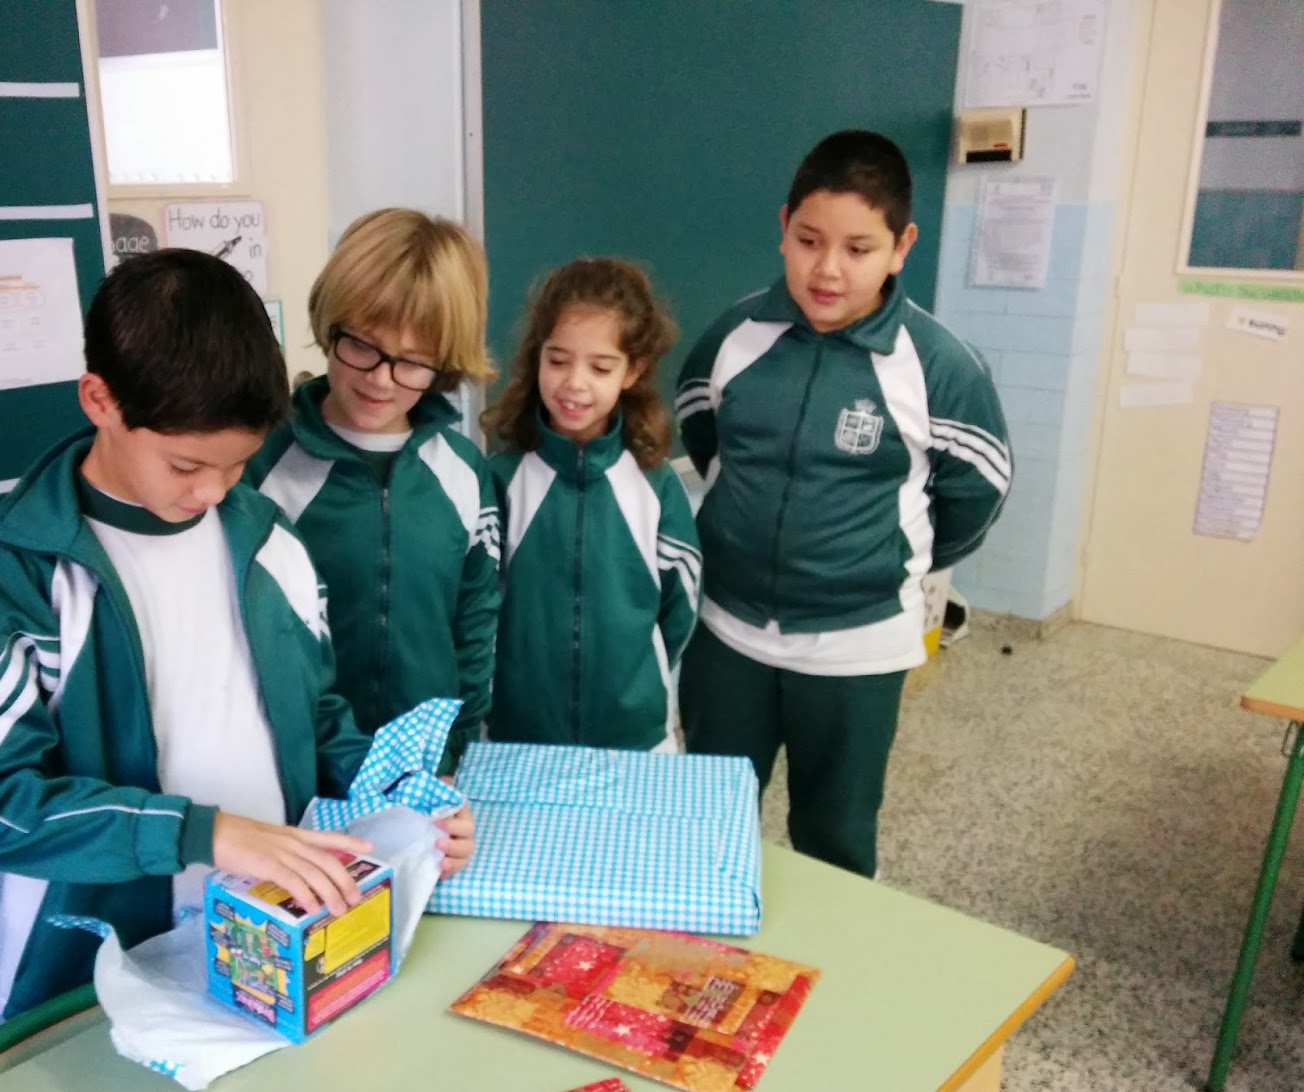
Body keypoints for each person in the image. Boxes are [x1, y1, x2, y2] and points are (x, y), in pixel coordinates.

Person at [0, 249, 474, 1018]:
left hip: (270, 942)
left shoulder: (268, 541)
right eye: (186, 465)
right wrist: (201, 834)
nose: (213, 491)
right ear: (100, 400)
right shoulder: (28, 569)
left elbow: (318, 719)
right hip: (99, 965)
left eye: (238, 463)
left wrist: (401, 795)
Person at [675, 130, 1011, 878]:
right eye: (808, 241)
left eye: (858, 249)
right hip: (727, 631)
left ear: (901, 247)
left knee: (834, 834)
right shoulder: (734, 336)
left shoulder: (938, 366)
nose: (827, 269)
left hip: (858, 646)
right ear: (784, 227)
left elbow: (977, 490)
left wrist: (889, 558)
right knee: (705, 823)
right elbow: (701, 432)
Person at [244, 208, 499, 773]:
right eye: (361, 344)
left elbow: (475, 622)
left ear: (443, 364)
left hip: (427, 764)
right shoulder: (259, 466)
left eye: (413, 362)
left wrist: (458, 745)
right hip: (298, 767)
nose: (380, 379)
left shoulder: (463, 473)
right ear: (329, 323)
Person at [482, 257, 699, 751]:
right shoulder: (501, 479)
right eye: (558, 360)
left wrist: (636, 685)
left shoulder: (656, 485)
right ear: (537, 358)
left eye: (600, 367)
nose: (575, 383)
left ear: (632, 371)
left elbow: (681, 604)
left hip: (635, 736)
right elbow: (478, 605)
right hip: (518, 735)